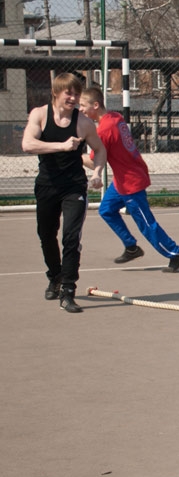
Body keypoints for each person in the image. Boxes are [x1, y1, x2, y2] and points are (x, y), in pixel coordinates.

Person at [78, 87, 179, 273]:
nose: (80, 109)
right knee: (106, 210)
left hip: (131, 181)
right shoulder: (114, 117)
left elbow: (93, 163)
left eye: (83, 105)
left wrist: (71, 154)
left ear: (95, 105)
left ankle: (176, 254)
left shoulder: (105, 129)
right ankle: (131, 247)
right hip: (122, 179)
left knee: (146, 223)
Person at [22, 73, 107, 313]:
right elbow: (28, 145)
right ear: (56, 93)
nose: (73, 98)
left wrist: (97, 173)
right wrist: (61, 146)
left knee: (71, 237)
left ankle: (68, 290)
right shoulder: (40, 115)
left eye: (77, 94)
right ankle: (55, 276)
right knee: (46, 234)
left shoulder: (84, 123)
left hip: (74, 186)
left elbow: (100, 150)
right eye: (69, 93)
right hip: (47, 185)